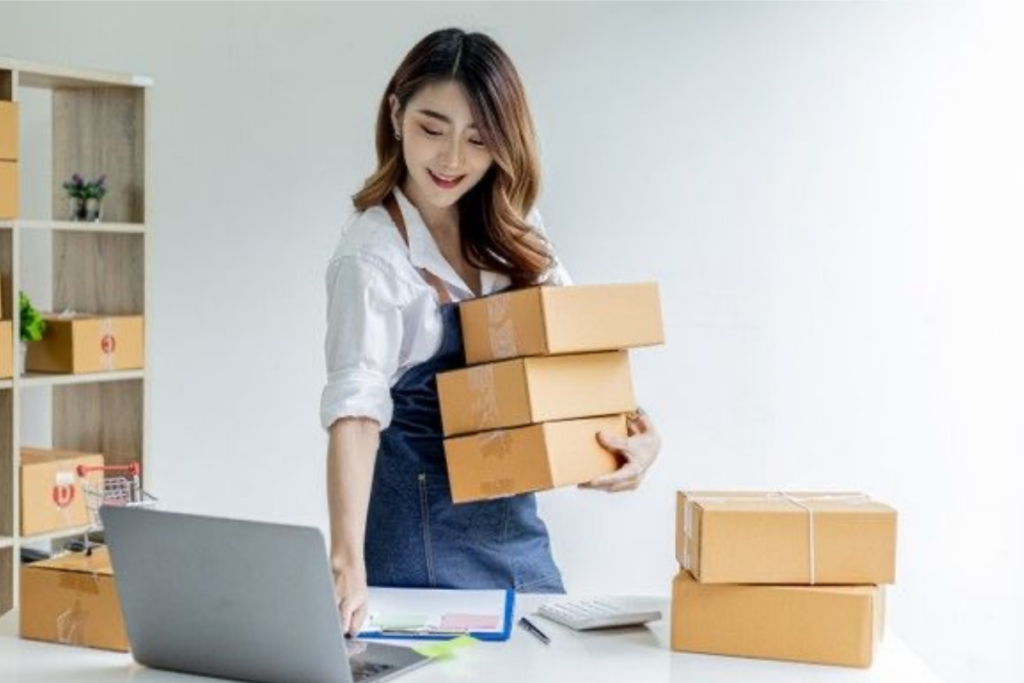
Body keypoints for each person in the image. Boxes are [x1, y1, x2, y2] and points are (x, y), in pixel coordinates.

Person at [320, 28, 662, 635]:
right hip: (416, 556)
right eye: (432, 128)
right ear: (396, 114)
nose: (452, 159)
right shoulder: (373, 258)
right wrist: (346, 564)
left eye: (479, 139)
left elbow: (570, 355)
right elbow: (356, 415)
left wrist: (635, 436)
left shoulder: (514, 229)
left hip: (518, 541)